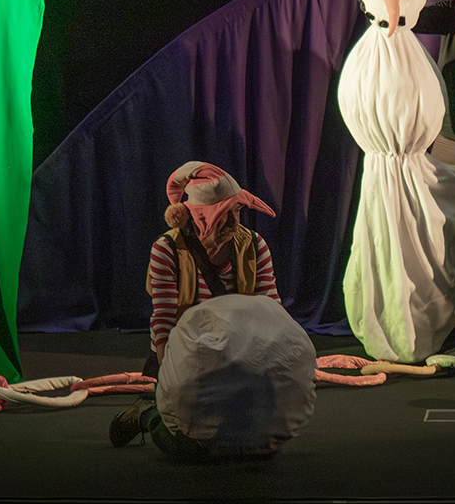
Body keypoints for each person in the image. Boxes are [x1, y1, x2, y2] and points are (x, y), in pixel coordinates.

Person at [109, 161, 315, 459]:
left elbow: (271, 311)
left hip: (242, 357)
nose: (234, 221)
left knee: (258, 446)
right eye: (224, 213)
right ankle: (147, 414)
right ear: (199, 213)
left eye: (237, 210)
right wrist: (170, 379)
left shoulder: (254, 245)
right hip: (187, 357)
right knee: (189, 448)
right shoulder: (167, 249)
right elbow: (164, 321)